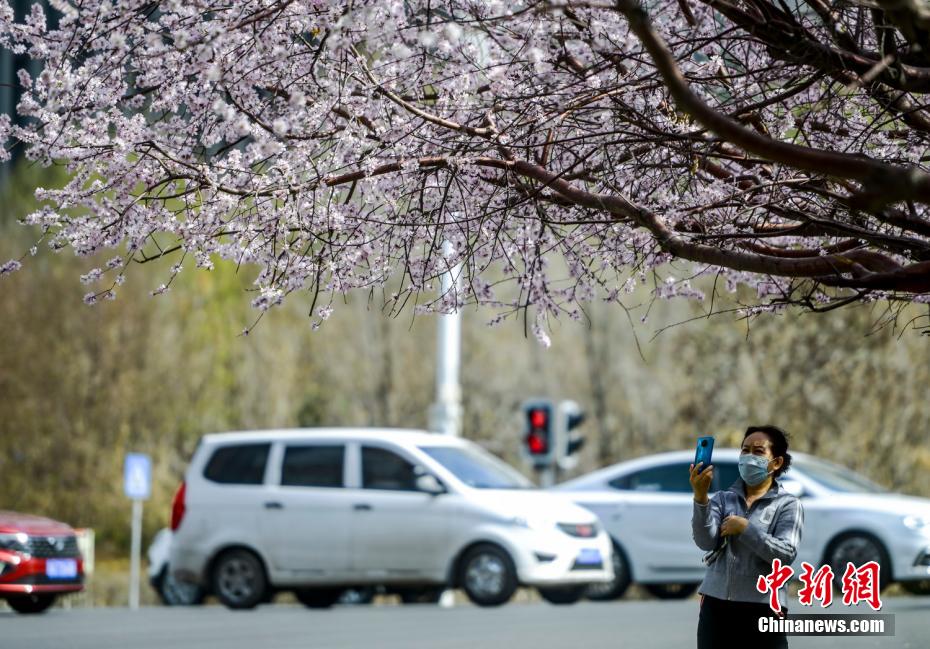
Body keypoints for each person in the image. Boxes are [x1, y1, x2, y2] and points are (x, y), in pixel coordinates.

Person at [689, 425, 804, 649]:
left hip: (764, 609)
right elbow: (705, 541)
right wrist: (701, 497)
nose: (749, 457)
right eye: (745, 450)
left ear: (777, 462)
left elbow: (785, 555)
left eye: (758, 451)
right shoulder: (723, 499)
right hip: (717, 607)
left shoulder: (788, 505)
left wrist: (745, 528)